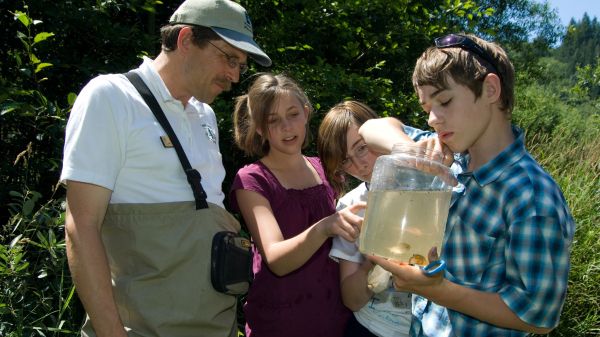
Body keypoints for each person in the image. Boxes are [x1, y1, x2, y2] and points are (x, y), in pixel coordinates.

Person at [60, 1, 271, 336]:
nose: (234, 75)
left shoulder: (206, 116)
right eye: (229, 58)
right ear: (186, 39)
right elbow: (81, 226)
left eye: (240, 66)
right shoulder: (112, 97)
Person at [362, 33, 575, 336]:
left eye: (445, 101)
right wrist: (410, 150)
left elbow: (538, 316)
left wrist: (439, 291)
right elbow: (371, 128)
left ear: (490, 89)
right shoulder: (445, 154)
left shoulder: (532, 195)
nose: (433, 119)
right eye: (427, 110)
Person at [229, 73, 364, 337]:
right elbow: (277, 259)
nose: (287, 127)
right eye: (273, 121)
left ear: (306, 113)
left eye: (293, 114)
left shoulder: (328, 168)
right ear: (259, 128)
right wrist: (326, 227)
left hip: (338, 321)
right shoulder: (252, 179)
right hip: (280, 324)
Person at [317, 100, 429, 337]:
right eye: (345, 160)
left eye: (361, 147)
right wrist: (375, 258)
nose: (360, 165)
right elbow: (351, 299)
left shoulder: (427, 183)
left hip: (431, 327)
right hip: (372, 328)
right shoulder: (351, 207)